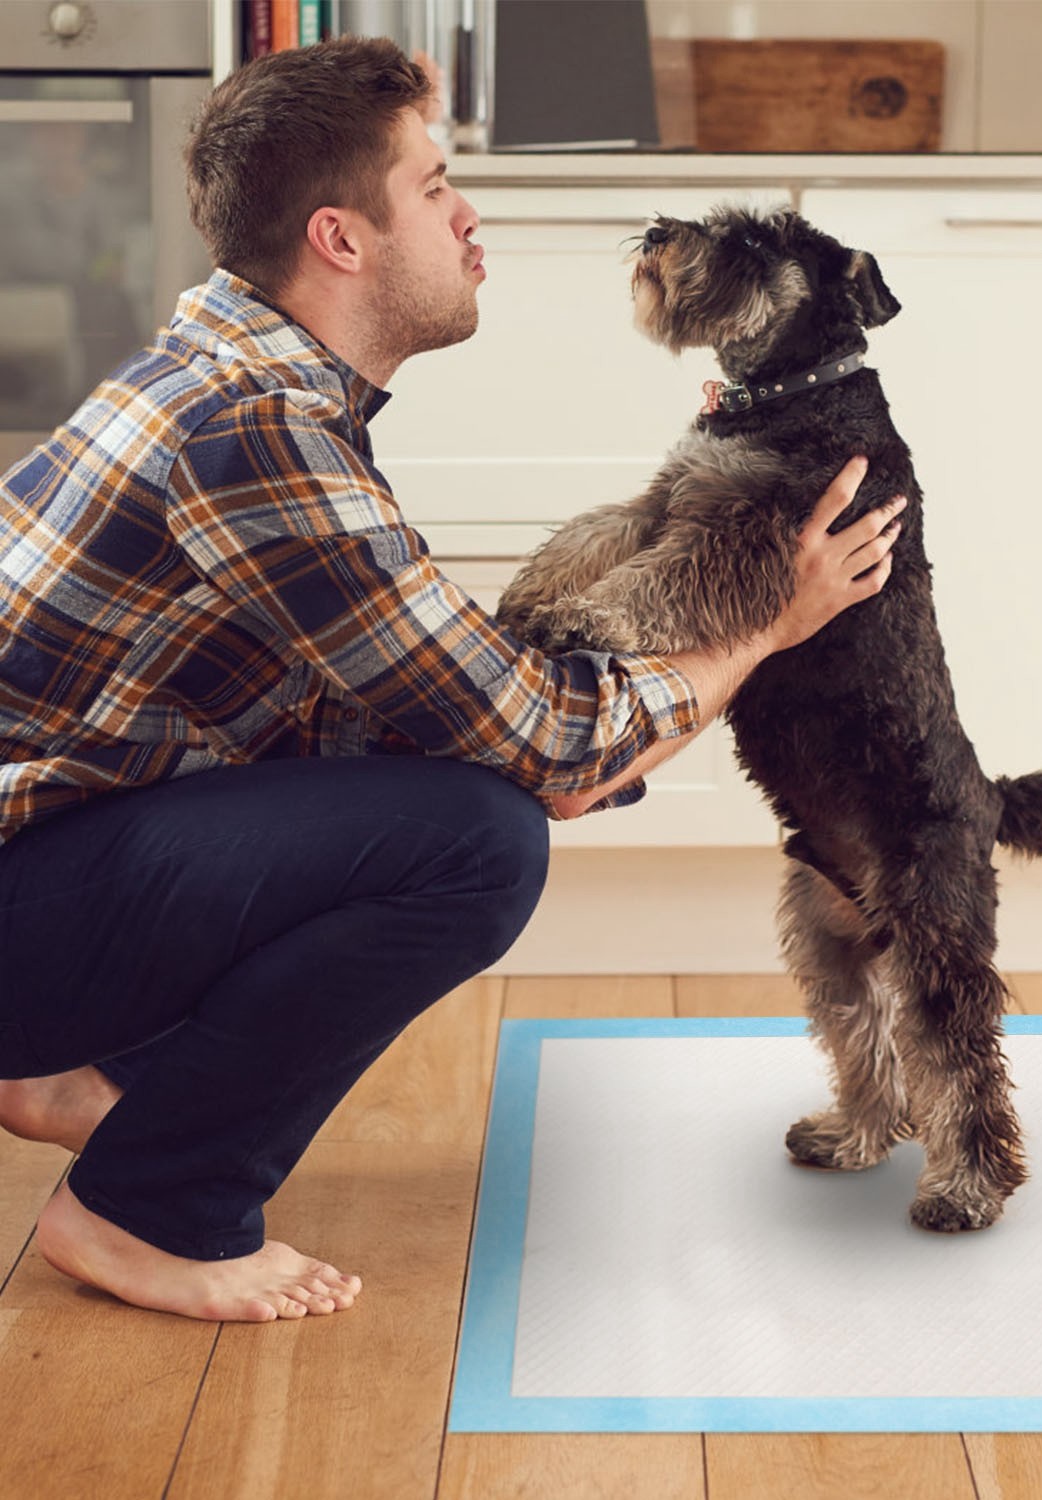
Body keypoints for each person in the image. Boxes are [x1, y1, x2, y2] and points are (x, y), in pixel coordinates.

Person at [0, 38, 904, 1325]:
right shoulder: (255, 433)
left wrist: (562, 754)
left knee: (465, 784)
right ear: (342, 238)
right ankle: (147, 1211)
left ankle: (81, 1070)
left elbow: (429, 697)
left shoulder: (262, 389)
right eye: (433, 185)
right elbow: (529, 739)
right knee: (475, 843)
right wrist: (769, 625)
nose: (468, 212)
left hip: (44, 867)